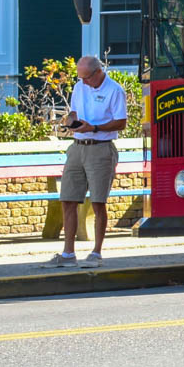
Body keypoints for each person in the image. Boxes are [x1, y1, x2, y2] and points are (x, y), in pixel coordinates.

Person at [46, 56, 128, 268]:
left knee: (98, 202)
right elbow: (74, 111)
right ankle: (68, 253)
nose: (83, 82)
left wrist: (94, 128)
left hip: (101, 148)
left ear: (97, 72)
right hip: (77, 146)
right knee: (68, 199)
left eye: (86, 78)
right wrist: (72, 122)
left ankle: (96, 252)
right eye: (80, 78)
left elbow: (121, 122)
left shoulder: (114, 90)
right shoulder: (79, 87)